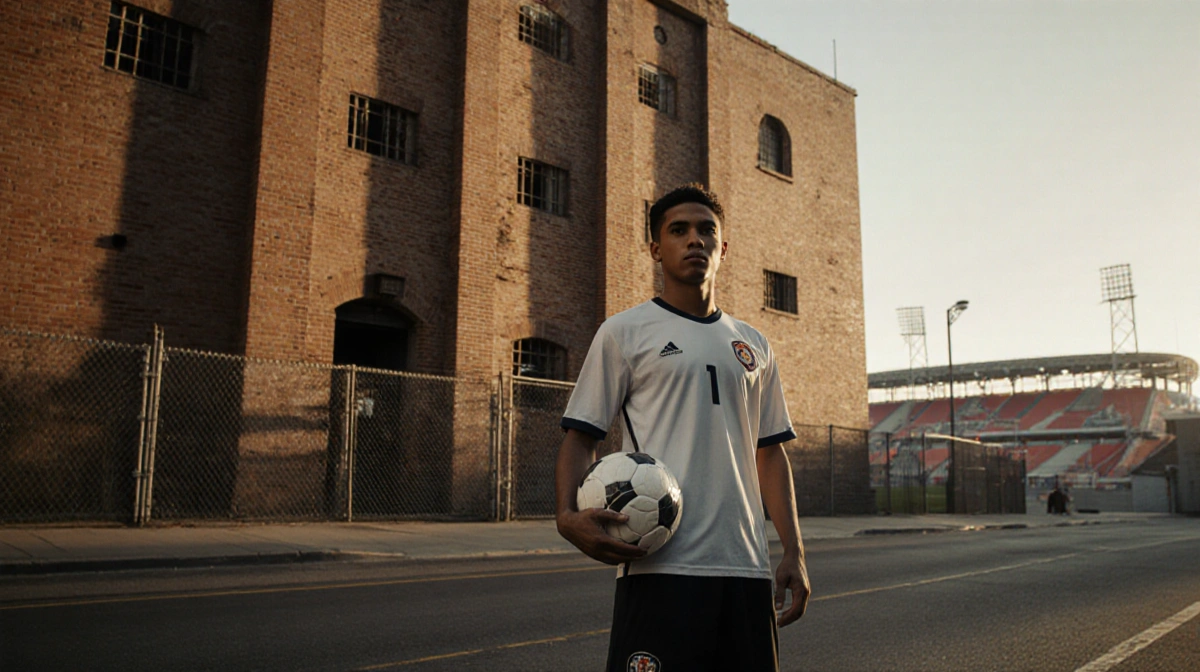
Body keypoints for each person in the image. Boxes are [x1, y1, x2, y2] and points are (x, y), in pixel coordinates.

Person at [555, 184, 810, 672]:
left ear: (723, 248)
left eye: (706, 230)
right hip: (659, 566)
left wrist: (794, 552)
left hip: (746, 569)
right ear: (656, 248)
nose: (694, 239)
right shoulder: (624, 332)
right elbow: (580, 437)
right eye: (678, 230)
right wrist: (567, 517)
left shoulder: (754, 345)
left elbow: (770, 456)